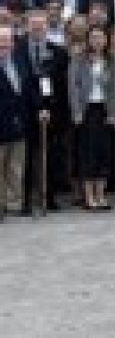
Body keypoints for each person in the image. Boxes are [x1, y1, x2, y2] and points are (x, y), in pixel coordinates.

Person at [18, 11, 70, 213]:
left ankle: (48, 197)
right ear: (27, 26)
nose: (37, 29)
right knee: (27, 158)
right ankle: (24, 200)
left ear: (47, 27)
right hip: (24, 111)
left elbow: (61, 85)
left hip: (50, 112)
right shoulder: (17, 49)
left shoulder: (57, 52)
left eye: (41, 26)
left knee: (50, 157)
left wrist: (50, 109)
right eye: (34, 26)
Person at [68, 26, 115, 210]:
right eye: (94, 37)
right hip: (86, 110)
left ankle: (101, 195)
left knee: (103, 153)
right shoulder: (79, 59)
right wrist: (76, 112)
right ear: (88, 39)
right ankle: (88, 197)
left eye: (101, 37)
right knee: (87, 154)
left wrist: (113, 113)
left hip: (104, 110)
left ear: (106, 40)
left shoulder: (111, 60)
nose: (97, 41)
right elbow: (73, 87)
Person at [0, 25, 36, 220]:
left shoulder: (21, 61)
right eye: (1, 40)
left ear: (13, 43)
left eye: (7, 40)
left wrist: (39, 108)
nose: (3, 44)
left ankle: (15, 203)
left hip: (20, 121)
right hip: (1, 122)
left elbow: (30, 88)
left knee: (16, 165)